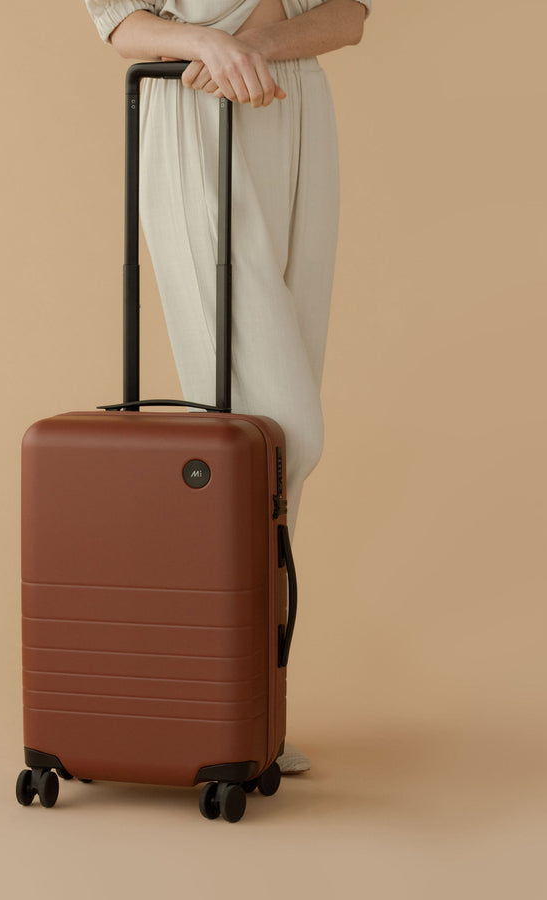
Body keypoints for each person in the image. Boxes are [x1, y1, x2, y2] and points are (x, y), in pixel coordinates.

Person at [84, 0, 372, 774]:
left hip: (295, 103)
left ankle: (247, 709)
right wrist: (206, 44)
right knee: (279, 430)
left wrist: (263, 44)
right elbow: (115, 23)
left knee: (277, 417)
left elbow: (349, 15)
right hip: (194, 104)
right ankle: (211, 690)